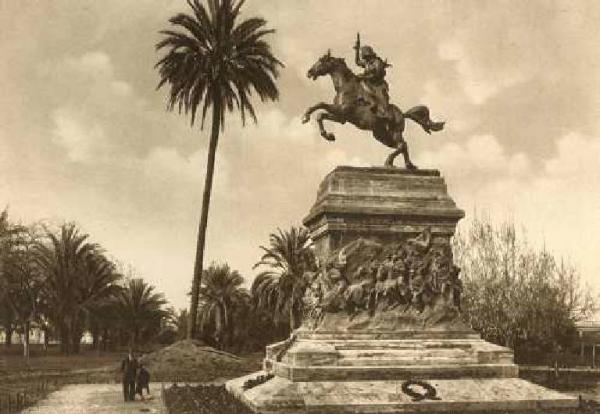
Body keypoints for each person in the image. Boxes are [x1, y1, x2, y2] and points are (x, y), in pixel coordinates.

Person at [353, 33, 393, 124]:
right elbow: (357, 62)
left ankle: (385, 114)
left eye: (364, 55)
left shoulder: (377, 62)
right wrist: (357, 49)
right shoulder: (367, 63)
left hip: (378, 83)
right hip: (369, 82)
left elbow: (377, 75)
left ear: (369, 54)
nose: (363, 58)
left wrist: (363, 76)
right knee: (359, 84)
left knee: (381, 98)